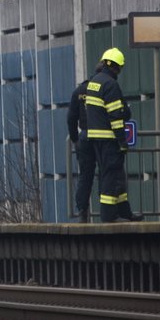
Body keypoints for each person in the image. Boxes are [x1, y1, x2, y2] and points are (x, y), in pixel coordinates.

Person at [84, 48, 143, 223]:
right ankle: (109, 216)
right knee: (111, 175)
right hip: (109, 139)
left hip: (96, 138)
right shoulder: (110, 84)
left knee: (115, 174)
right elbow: (116, 116)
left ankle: (124, 211)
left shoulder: (94, 82)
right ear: (115, 66)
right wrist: (122, 140)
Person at [67, 77, 94, 223]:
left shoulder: (78, 92)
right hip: (102, 138)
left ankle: (82, 211)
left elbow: (71, 118)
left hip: (84, 138)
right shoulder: (101, 88)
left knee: (85, 176)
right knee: (107, 174)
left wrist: (75, 139)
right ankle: (109, 211)